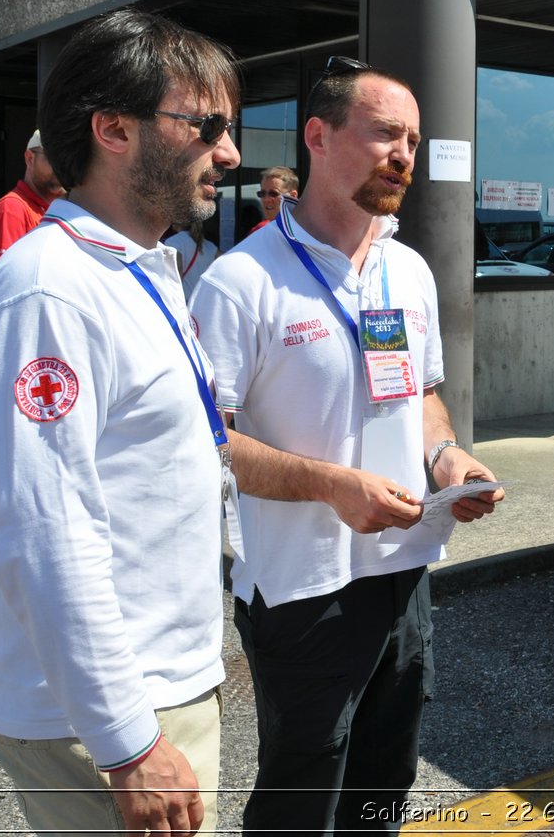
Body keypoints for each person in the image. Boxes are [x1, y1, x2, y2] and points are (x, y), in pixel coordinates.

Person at [0, 9, 424, 836]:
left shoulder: (145, 271)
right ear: (113, 129)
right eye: (205, 125)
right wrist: (130, 741)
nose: (231, 153)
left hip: (156, 689)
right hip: (105, 718)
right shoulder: (51, 290)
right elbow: (45, 535)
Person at [192, 58, 503, 834]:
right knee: (301, 798)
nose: (404, 153)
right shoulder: (241, 281)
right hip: (302, 589)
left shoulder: (409, 269)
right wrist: (331, 484)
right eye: (385, 133)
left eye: (414, 140)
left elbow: (421, 397)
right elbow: (206, 440)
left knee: (381, 790)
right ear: (319, 137)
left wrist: (447, 461)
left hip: (404, 578)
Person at [0, 128, 65, 265]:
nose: (61, 167)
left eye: (66, 160)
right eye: (53, 158)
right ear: (29, 158)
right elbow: (9, 278)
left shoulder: (61, 208)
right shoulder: (11, 209)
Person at [164, 220, 220, 301]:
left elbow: (176, 272)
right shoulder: (209, 246)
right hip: (202, 302)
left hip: (183, 301)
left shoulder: (173, 242)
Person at [251, 165, 299, 232]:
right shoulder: (259, 231)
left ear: (293, 196)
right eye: (262, 193)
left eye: (273, 194)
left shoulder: (307, 232)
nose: (266, 199)